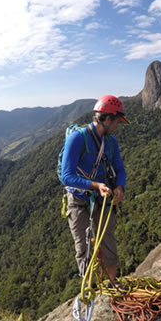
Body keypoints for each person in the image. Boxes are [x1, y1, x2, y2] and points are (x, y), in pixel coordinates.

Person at [61, 95, 128, 282]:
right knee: (83, 247)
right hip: (79, 200)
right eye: (116, 122)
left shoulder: (111, 142)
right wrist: (96, 185)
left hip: (103, 199)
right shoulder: (77, 139)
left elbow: (120, 169)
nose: (117, 126)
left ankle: (112, 283)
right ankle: (89, 287)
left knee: (108, 243)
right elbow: (66, 177)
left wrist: (120, 188)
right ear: (107, 119)